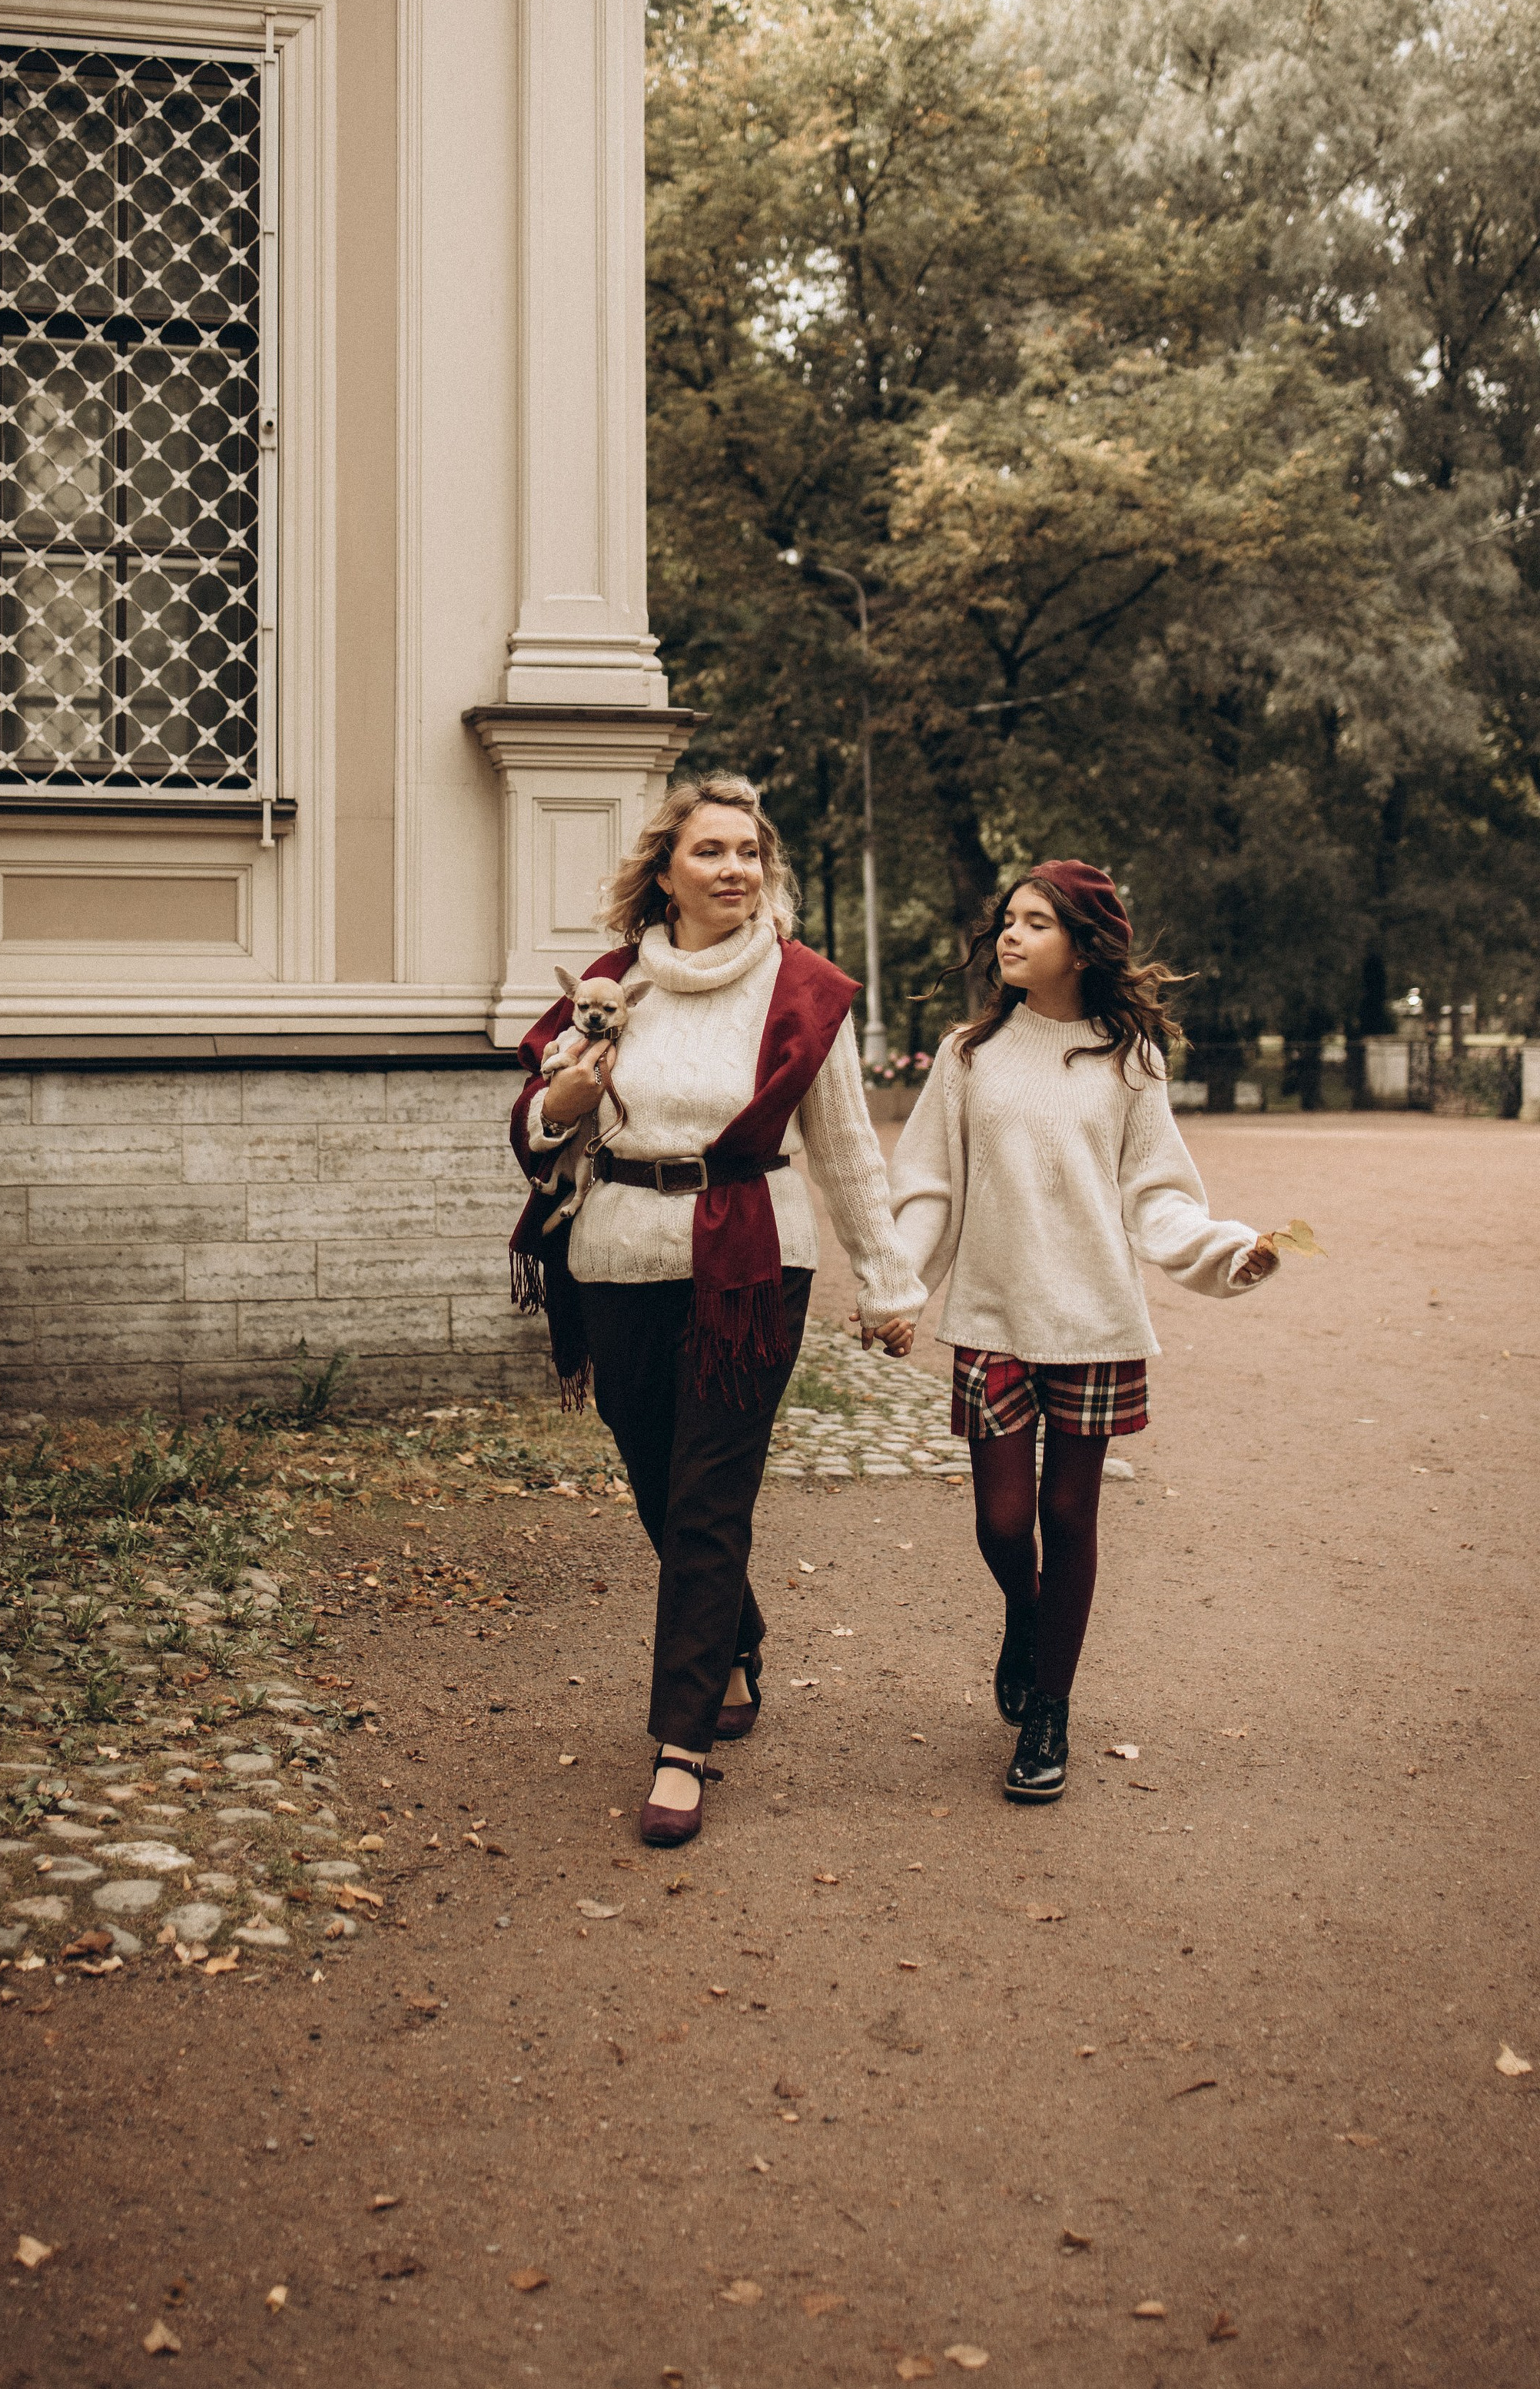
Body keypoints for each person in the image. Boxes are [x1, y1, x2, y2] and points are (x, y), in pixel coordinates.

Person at [508, 775, 924, 1848]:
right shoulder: (608, 983)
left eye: (749, 852)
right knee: (654, 1474)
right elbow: (538, 1126)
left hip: (751, 1261)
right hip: (616, 1256)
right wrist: (566, 1101)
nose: (734, 868)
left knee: (709, 1492)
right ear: (665, 870)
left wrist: (886, 1281)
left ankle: (679, 1744)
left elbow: (843, 1150)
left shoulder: (801, 990)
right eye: (711, 851)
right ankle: (734, 1632)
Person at [888, 860, 1278, 1804]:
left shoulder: (1129, 1059)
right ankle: (1026, 1618)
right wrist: (897, 1286)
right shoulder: (968, 1055)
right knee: (1001, 1524)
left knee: (1068, 1519)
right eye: (1007, 922)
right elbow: (929, 1187)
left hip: (1095, 1321)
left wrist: (1225, 1254)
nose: (1009, 937)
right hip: (991, 1315)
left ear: (1081, 941)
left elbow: (1158, 1196)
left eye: (1034, 923)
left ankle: (1048, 1713)